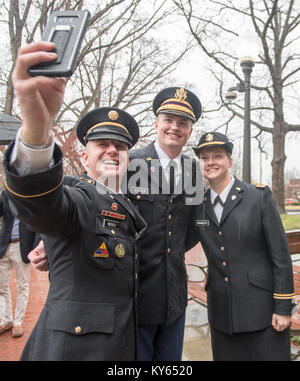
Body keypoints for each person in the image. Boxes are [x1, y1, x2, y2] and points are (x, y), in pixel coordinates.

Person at [3, 41, 146, 361]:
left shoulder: (127, 206)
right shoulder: (80, 197)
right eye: (103, 144)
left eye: (120, 147)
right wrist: (37, 129)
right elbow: (43, 205)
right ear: (84, 156)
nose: (112, 150)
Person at [192, 131, 295, 361]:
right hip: (221, 316)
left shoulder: (258, 197)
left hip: (262, 312)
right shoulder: (198, 206)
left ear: (229, 161)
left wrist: (283, 307)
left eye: (217, 156)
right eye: (205, 158)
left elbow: (280, 256)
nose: (210, 162)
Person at [126, 87, 203, 361]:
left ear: (189, 131)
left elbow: (197, 223)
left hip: (174, 296)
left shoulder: (193, 170)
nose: (175, 127)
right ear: (156, 123)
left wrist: (173, 249)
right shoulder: (130, 162)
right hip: (135, 293)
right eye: (169, 120)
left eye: (183, 123)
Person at [0, 190, 37, 338]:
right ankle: (7, 319)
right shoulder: (6, 194)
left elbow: (38, 224)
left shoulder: (32, 195)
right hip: (4, 246)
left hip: (22, 246)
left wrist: (35, 247)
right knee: (1, 286)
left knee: (22, 286)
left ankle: (18, 322)